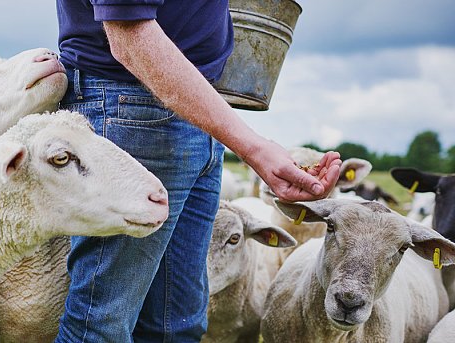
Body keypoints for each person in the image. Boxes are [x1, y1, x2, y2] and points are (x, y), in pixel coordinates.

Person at [54, 1, 342, 342]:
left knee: (176, 326)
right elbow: (128, 30)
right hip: (131, 109)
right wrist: (253, 148)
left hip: (197, 107)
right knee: (101, 325)